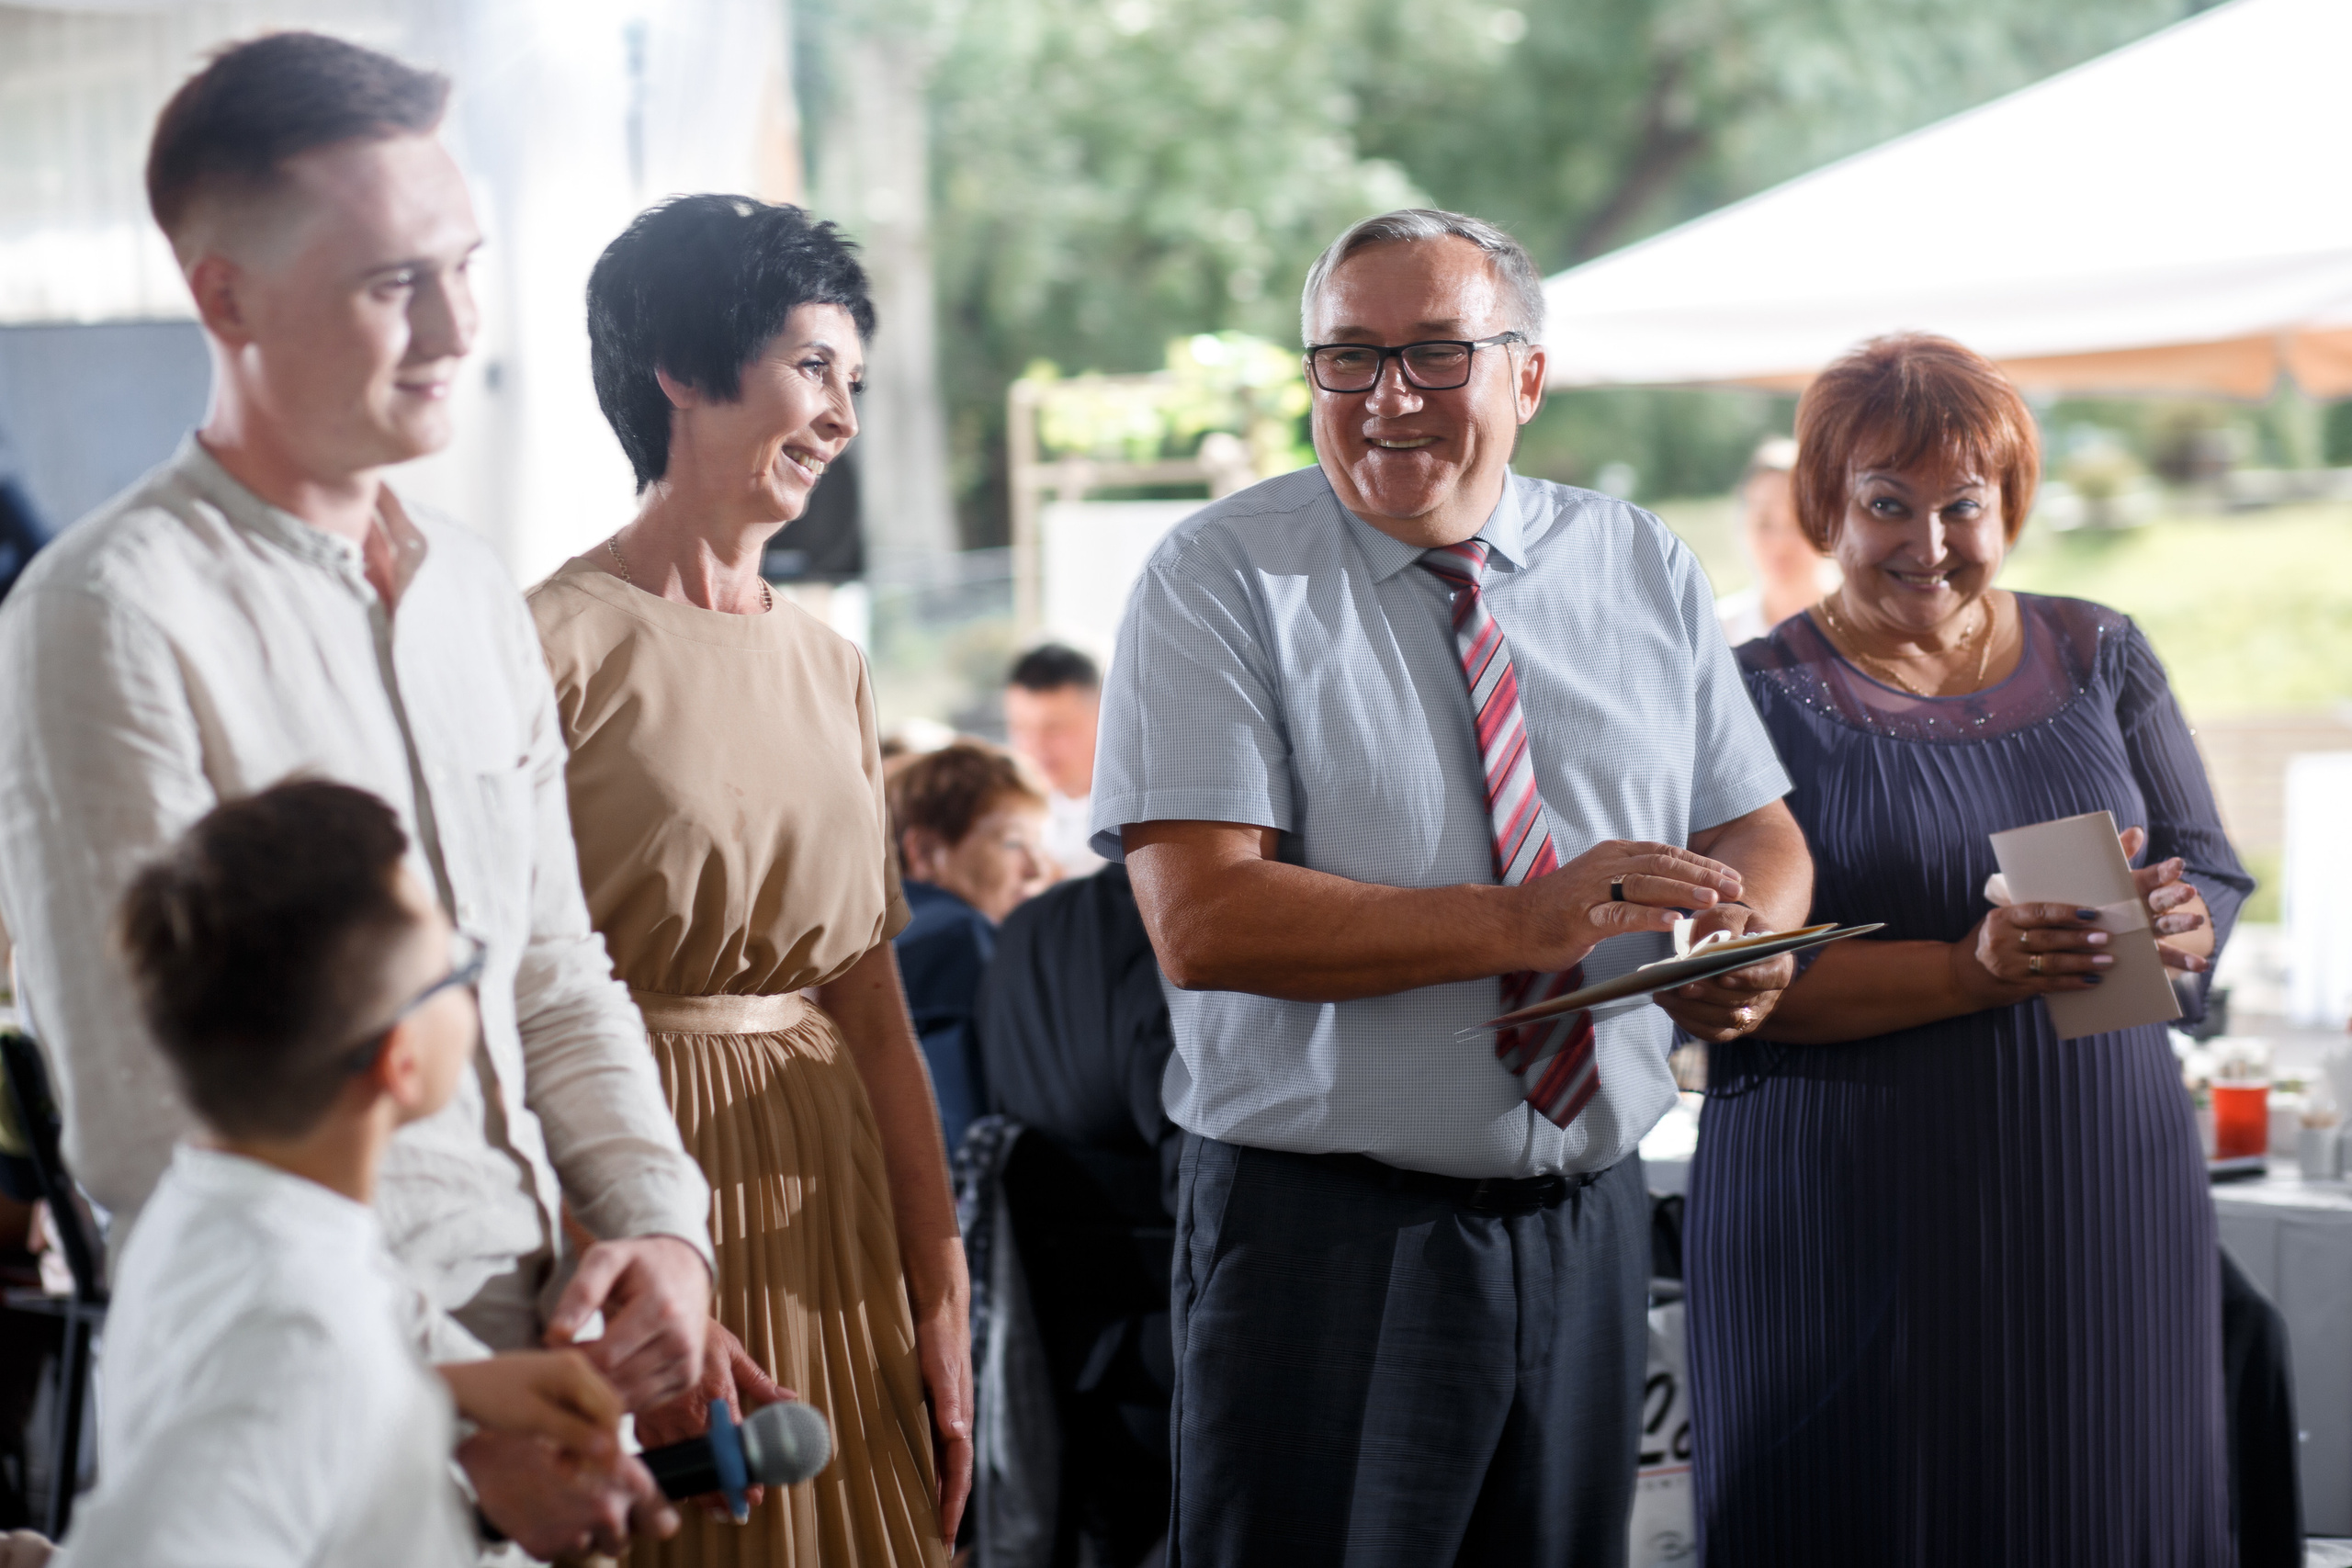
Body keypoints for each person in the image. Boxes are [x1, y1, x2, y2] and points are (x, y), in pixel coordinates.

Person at [0, 34, 711, 1555]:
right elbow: (142, 1118)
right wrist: (453, 1399)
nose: (457, 324)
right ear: (225, 298)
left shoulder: (470, 587)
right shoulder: (108, 612)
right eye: (395, 284)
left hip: (544, 1363)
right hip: (308, 1389)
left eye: (467, 263)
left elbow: (552, 967)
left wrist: (658, 1226)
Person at [1090, 207, 1812, 1566]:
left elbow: (1757, 824)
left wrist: (1749, 937)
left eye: (1435, 355)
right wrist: (1523, 918)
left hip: (1591, 1215)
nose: (1388, 400)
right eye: (1347, 360)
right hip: (1328, 1242)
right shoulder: (1219, 576)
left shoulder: (1639, 562)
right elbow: (1203, 919)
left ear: (1526, 376)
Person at [1684, 333, 2253, 1563]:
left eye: (1964, 505)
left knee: (2102, 1500)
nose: (1929, 543)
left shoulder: (2102, 652)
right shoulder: (1749, 695)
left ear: (2012, 505)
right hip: (1842, 1206)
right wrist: (1968, 968)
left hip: (2099, 1191)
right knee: (1856, 1508)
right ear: (1824, 505)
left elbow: (2208, 862)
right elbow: (1727, 983)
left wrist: (2186, 919)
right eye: (1889, 504)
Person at [528, 193, 972, 1567]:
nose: (840, 413)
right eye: (811, 365)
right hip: (630, 1176)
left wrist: (944, 1292)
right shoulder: (550, 644)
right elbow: (495, 999)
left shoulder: (829, 661)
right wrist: (617, 1249)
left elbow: (873, 1002)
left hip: (829, 1191)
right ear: (679, 365)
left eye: (854, 379)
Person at [62, 780, 648, 1565]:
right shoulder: (302, 1339)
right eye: (456, 964)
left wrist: (447, 1391)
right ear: (399, 1061)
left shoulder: (214, 1204)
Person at [969, 860, 1182, 1566]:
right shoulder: (1163, 928)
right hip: (1169, 1358)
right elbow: (1196, 1172)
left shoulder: (1025, 926)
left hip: (1052, 1350)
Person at [888, 740, 1051, 1158]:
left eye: (1038, 845)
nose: (1035, 869)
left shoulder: (879, 932)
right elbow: (967, 1130)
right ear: (925, 852)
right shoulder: (956, 935)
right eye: (1013, 843)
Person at [1713, 436, 1837, 645]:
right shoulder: (1713, 633)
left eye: (1799, 523)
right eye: (1764, 523)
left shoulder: (1873, 635)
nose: (1781, 544)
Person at [1003, 643, 1105, 878]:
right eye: (1021, 728)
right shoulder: (1006, 817)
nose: (1036, 746)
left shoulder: (1139, 824)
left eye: (1055, 728)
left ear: (1103, 717)